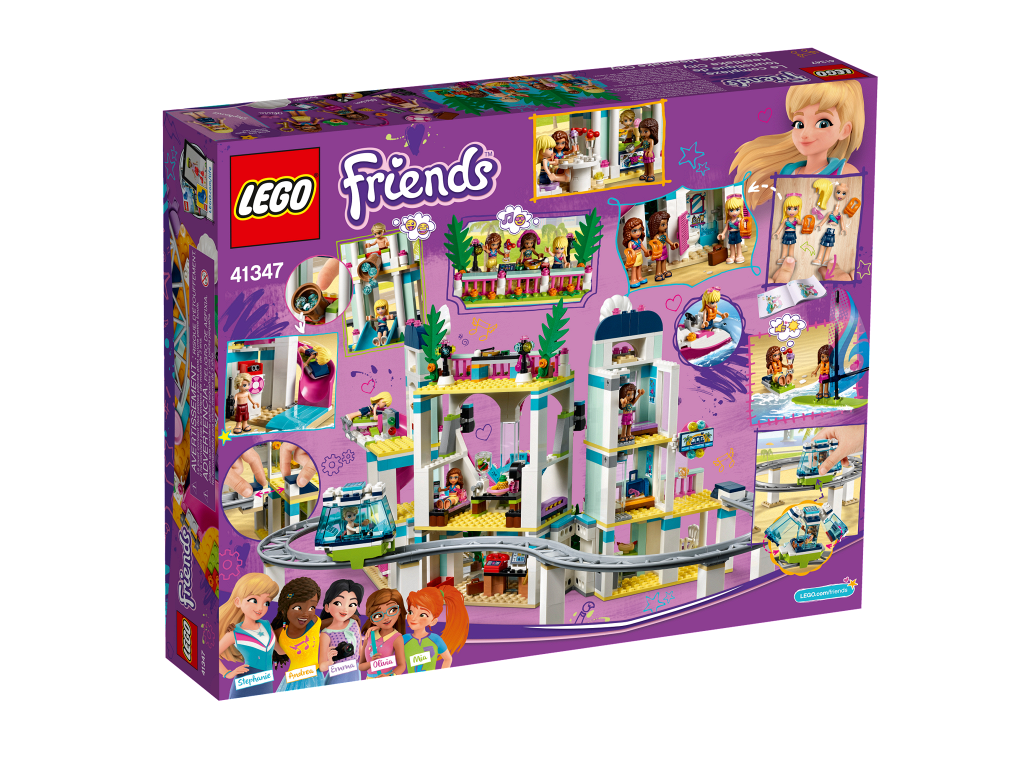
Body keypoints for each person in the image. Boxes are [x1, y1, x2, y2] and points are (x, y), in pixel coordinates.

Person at [730, 81, 864, 208]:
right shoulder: (788, 172)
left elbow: (851, 214)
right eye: (799, 124)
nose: (804, 134)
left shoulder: (844, 172)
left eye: (822, 124)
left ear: (844, 131)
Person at [218, 573, 280, 698]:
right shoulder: (234, 632)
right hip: (244, 686)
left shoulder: (267, 625)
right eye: (253, 600)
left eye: (266, 603)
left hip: (267, 685)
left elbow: (280, 650)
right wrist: (227, 673)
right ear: (238, 602)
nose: (260, 607)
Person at [403, 585, 469, 672]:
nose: (414, 618)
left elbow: (448, 659)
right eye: (411, 612)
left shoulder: (435, 639)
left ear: (433, 621)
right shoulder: (403, 639)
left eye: (422, 615)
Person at [319, 579, 364, 685]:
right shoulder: (326, 634)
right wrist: (329, 661)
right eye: (338, 603)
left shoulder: (354, 623)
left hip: (354, 674)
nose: (345, 609)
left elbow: (360, 650)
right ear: (327, 607)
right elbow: (321, 666)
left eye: (351, 604)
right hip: (336, 677)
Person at [360, 589, 407, 679]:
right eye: (378, 615)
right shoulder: (370, 634)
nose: (386, 617)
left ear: (399, 611)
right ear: (372, 620)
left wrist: (390, 676)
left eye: (392, 610)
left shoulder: (397, 637)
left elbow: (401, 665)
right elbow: (361, 666)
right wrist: (371, 663)